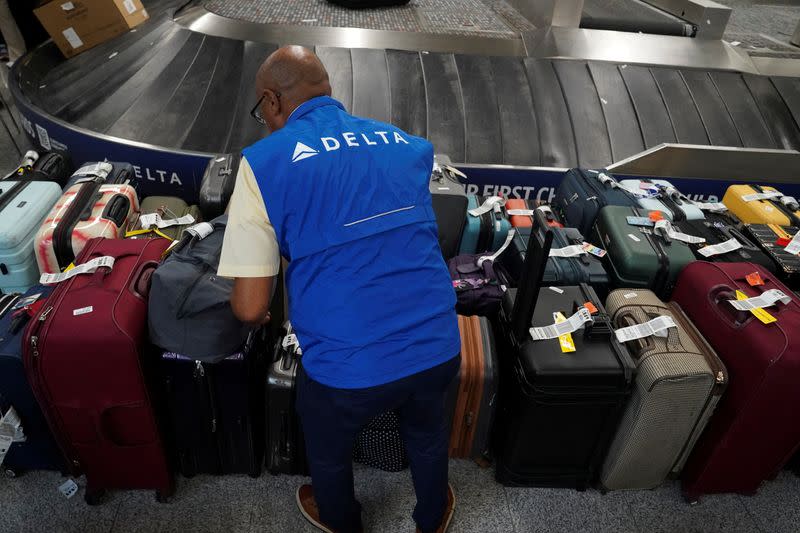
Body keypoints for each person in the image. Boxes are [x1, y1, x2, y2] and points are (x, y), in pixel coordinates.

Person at [217, 46, 462, 533]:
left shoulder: (263, 163)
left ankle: (343, 520)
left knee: (328, 450)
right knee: (427, 432)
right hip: (437, 346)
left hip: (347, 370)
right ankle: (431, 516)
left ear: (271, 101)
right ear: (326, 90)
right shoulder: (403, 142)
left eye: (261, 111)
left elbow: (249, 307)